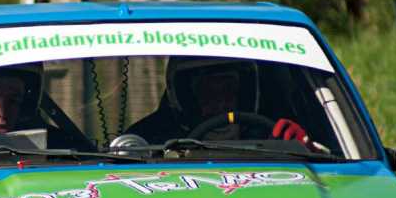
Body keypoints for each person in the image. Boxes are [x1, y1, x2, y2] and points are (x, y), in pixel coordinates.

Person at [126, 57, 312, 146]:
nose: (221, 104)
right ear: (186, 96)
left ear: (245, 92)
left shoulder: (277, 134)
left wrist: (305, 147)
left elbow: (325, 162)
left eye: (228, 90)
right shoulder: (148, 140)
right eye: (208, 92)